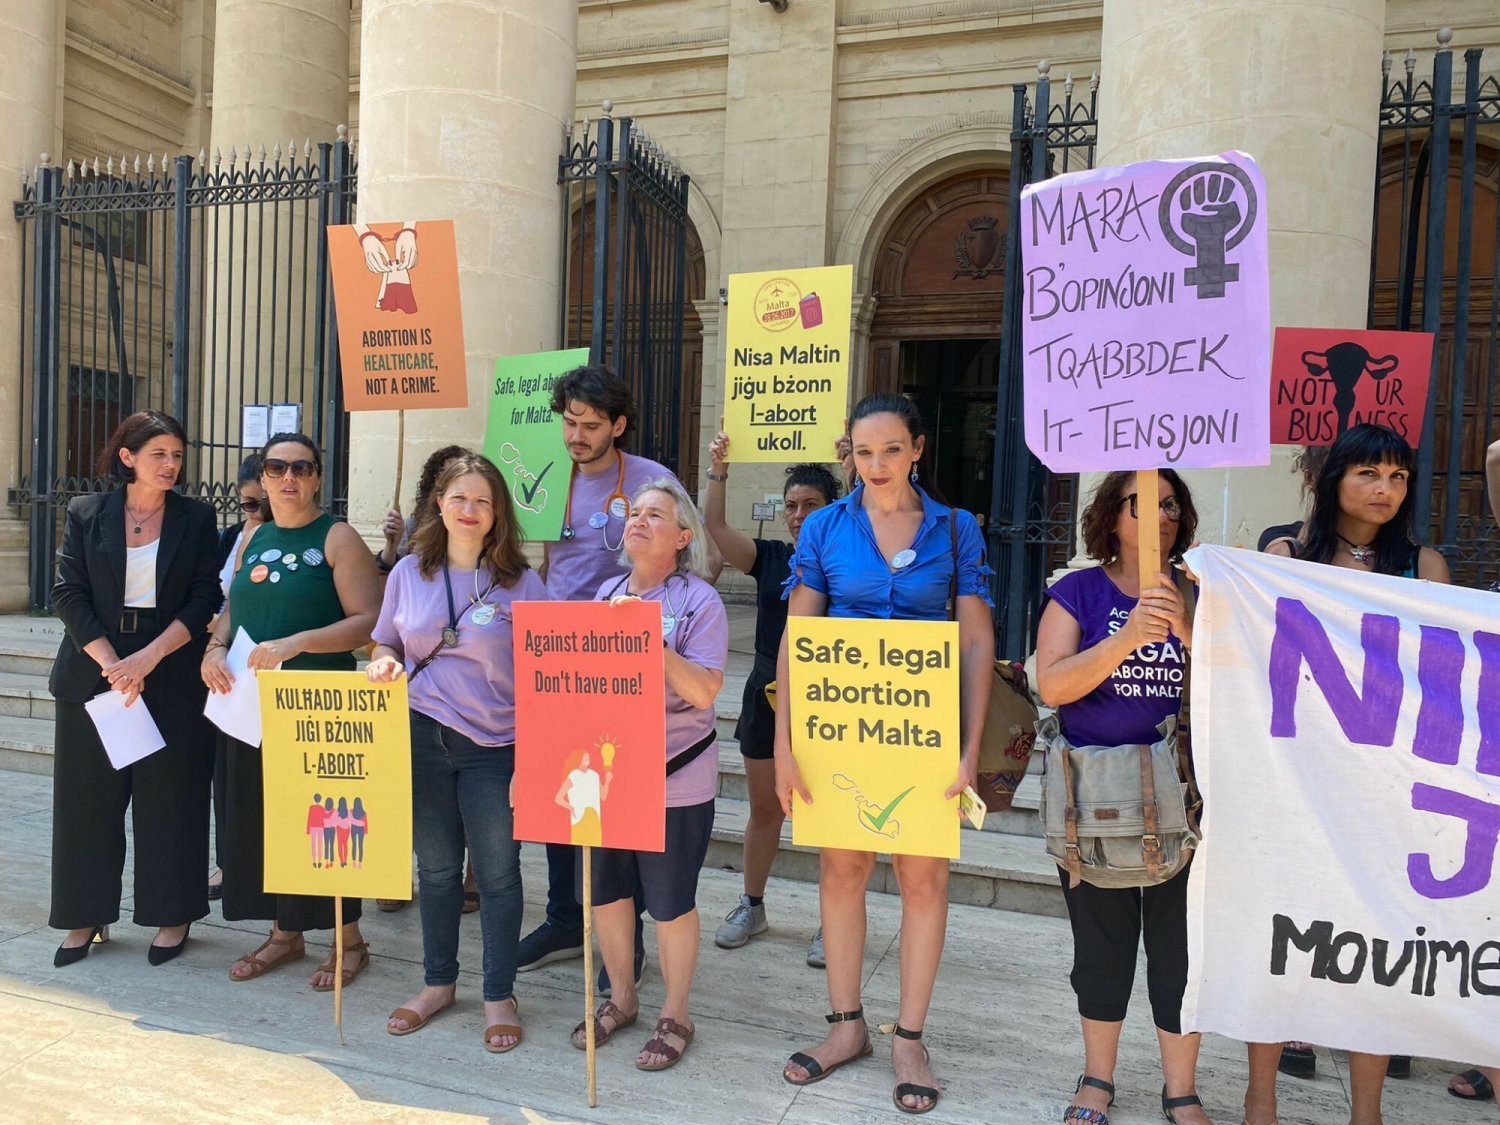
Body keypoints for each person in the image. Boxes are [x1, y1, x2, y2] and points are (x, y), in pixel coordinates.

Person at [774, 394, 995, 1115]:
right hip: (838, 728)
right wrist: (784, 745)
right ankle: (846, 1027)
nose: (876, 465)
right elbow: (796, 639)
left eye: (891, 450)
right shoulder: (825, 527)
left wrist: (969, 750)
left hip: (924, 732)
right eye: (864, 452)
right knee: (841, 870)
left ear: (917, 449)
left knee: (923, 880)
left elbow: (976, 642)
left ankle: (909, 1039)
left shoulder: (956, 529)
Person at [1251, 422, 1449, 1125]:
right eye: (1368, 472)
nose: (1384, 488)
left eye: (1398, 476)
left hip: (1386, 790)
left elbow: (1441, 678)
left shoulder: (1423, 566)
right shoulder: (1284, 554)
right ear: (1334, 477)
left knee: (1377, 953)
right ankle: (1260, 1101)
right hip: (1299, 783)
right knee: (1281, 946)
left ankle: (1369, 1112)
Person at [1033, 469, 1205, 1125]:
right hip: (1096, 803)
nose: (1162, 515)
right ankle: (1097, 1080)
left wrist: (1188, 630)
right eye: (1144, 503)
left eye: (1172, 504)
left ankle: (1181, 1090)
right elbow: (1052, 684)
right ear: (1111, 515)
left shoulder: (1200, 591)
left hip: (1185, 801)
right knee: (1101, 948)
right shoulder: (1077, 592)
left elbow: (1241, 682)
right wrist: (1128, 637)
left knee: (1180, 952)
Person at [369, 451, 549, 1052]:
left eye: (482, 501)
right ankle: (438, 983)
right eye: (459, 498)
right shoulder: (407, 573)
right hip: (421, 737)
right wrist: (384, 663)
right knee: (438, 871)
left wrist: (535, 756)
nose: (470, 510)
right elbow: (384, 641)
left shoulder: (522, 583)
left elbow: (547, 673)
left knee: (497, 873)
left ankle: (499, 993)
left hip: (496, 746)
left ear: (498, 513)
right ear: (439, 505)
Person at [516, 364, 676, 992]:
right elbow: (535, 559)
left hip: (623, 661)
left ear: (619, 425)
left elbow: (693, 559)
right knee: (558, 797)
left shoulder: (652, 482)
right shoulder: (543, 475)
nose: (576, 436)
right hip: (556, 660)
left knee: (618, 801)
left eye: (589, 426)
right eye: (569, 423)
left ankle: (625, 942)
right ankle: (564, 919)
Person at [203, 432, 382, 991]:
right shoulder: (254, 535)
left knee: (323, 822)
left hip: (315, 705)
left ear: (317, 477)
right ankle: (285, 933)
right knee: (265, 818)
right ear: (262, 476)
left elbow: (368, 621)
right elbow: (234, 606)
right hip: (250, 704)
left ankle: (349, 939)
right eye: (277, 467)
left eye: (301, 468)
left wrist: (298, 642)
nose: (288, 477)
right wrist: (214, 648)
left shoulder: (337, 537)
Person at [49, 410, 221, 967]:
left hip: (170, 668)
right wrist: (113, 665)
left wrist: (148, 658)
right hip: (94, 670)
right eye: (159, 454)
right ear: (128, 457)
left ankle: (173, 915)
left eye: (177, 455)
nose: (171, 465)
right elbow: (67, 592)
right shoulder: (86, 512)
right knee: (88, 802)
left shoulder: (197, 518)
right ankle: (85, 914)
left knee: (172, 800)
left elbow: (204, 599)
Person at [571, 477, 727, 1071]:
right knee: (608, 894)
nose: (638, 520)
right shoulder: (605, 593)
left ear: (683, 537)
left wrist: (646, 638)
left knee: (669, 902)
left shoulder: (700, 603)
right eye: (633, 512)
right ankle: (623, 997)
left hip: (674, 778)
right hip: (609, 777)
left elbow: (705, 690)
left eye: (655, 515)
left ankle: (676, 1014)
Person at [702, 421, 841, 962]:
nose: (799, 514)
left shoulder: (849, 560)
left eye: (811, 504)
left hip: (830, 696)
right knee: (764, 809)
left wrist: (853, 468)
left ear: (833, 508)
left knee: (830, 814)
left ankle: (835, 920)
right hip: (766, 693)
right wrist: (719, 470)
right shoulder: (771, 557)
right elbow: (715, 527)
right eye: (791, 505)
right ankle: (752, 904)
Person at [210, 453, 268, 900]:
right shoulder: (233, 535)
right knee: (227, 776)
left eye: (264, 504)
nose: (257, 513)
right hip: (226, 665)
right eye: (249, 504)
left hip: (267, 662)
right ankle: (228, 863)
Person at [351, 797, 368, 870]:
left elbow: (350, 821)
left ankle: (354, 862)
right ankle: (360, 863)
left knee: (354, 845)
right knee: (360, 846)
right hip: (361, 829)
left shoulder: (351, 811)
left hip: (354, 829)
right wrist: (365, 832)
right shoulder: (364, 813)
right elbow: (365, 823)